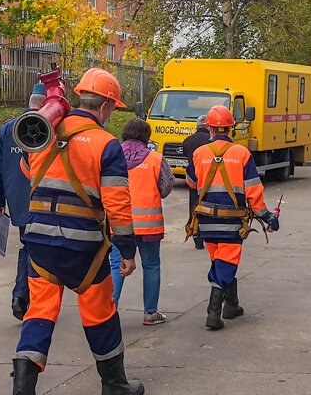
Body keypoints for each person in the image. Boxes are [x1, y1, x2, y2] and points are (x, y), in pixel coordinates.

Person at [8, 67, 146, 395]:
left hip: (38, 242)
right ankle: (114, 387)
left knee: (39, 314)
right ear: (105, 107)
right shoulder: (106, 144)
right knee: (100, 313)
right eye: (112, 109)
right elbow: (117, 204)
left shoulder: (45, 131)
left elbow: (28, 170)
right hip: (84, 247)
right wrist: (128, 251)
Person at [185, 104, 279, 331]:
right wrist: (266, 216)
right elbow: (253, 190)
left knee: (220, 260)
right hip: (232, 221)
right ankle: (213, 313)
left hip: (206, 221)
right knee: (226, 263)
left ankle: (231, 305)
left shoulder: (199, 153)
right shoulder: (242, 154)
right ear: (231, 128)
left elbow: (191, 182)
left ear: (209, 128)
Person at [0, 82, 46, 319]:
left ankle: (22, 296)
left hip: (19, 201)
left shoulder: (7, 129)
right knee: (38, 249)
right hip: (45, 201)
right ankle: (25, 296)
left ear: (29, 102)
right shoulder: (49, 130)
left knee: (28, 246)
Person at [109, 118, 174, 325]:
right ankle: (150, 314)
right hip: (149, 225)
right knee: (151, 265)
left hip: (119, 224)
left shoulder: (112, 157)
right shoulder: (156, 159)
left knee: (116, 265)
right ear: (147, 137)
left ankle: (109, 312)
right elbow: (166, 186)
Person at [182, 115, 212, 250]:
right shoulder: (211, 141)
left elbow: (185, 155)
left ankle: (196, 237)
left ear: (197, 126)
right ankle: (211, 236)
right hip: (210, 179)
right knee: (210, 207)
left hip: (193, 178)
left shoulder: (188, 141)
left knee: (194, 208)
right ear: (208, 126)